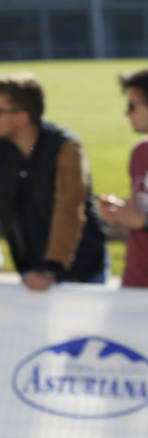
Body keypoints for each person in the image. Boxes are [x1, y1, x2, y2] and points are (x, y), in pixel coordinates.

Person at [0, 72, 107, 292]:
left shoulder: (66, 148)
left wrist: (52, 269)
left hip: (80, 271)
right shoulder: (0, 151)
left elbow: (69, 210)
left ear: (22, 117)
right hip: (34, 270)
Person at [99, 69, 148, 287]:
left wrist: (143, 221)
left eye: (132, 105)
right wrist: (121, 210)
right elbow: (142, 203)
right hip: (135, 280)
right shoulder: (140, 152)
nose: (127, 114)